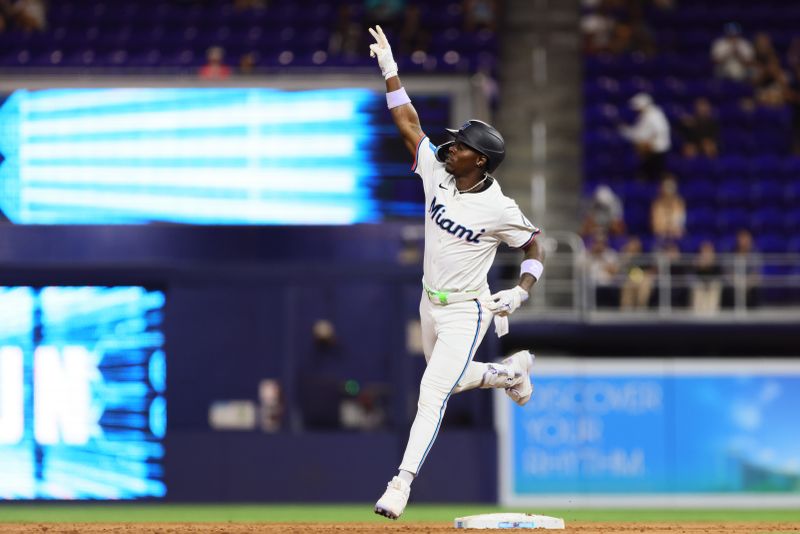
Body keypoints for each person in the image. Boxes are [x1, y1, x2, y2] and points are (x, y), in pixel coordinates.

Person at [367, 25, 544, 520]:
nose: (450, 147)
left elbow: (534, 242)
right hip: (429, 301)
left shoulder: (499, 207)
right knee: (452, 379)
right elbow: (408, 123)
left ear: (480, 159)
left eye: (460, 146)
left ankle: (400, 484)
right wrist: (390, 69)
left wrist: (521, 291)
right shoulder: (438, 172)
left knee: (432, 392)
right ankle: (509, 372)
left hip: (468, 309)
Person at [618, 93, 671, 182]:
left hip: (656, 152)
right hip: (650, 151)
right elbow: (638, 133)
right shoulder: (646, 116)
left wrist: (648, 144)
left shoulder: (654, 115)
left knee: (653, 176)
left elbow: (659, 132)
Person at [690, 240, 723, 315]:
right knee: (697, 286)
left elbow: (719, 275)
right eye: (704, 251)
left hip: (711, 285)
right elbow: (691, 276)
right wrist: (699, 267)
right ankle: (697, 314)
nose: (706, 254)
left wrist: (710, 266)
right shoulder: (695, 263)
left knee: (715, 285)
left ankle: (712, 314)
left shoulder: (716, 264)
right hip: (700, 285)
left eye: (708, 251)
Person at [650, 174, 685, 242]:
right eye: (667, 186)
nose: (669, 190)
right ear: (662, 188)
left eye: (671, 186)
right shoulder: (656, 205)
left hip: (677, 239)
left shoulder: (680, 203)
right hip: (660, 239)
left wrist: (670, 229)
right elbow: (656, 229)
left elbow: (680, 228)